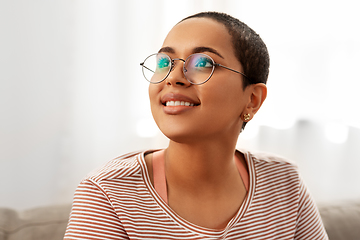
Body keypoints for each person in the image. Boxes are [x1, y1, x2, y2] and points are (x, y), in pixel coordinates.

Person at [64, 11, 328, 239]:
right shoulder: (107, 193)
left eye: (203, 63)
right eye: (163, 62)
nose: (174, 77)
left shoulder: (283, 183)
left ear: (252, 99)